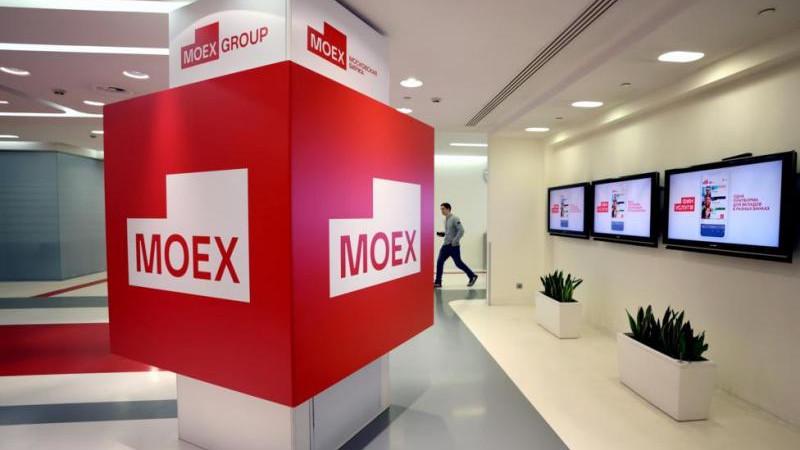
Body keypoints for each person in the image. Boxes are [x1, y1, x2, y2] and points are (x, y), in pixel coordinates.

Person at [434, 202, 478, 288]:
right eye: (441, 209)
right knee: (439, 262)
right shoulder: (445, 219)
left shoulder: (455, 218)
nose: (441, 211)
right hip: (445, 245)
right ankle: (438, 282)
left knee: (458, 263)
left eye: (443, 209)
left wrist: (455, 241)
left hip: (453, 246)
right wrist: (443, 234)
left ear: (448, 209)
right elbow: (450, 232)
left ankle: (472, 276)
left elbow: (461, 230)